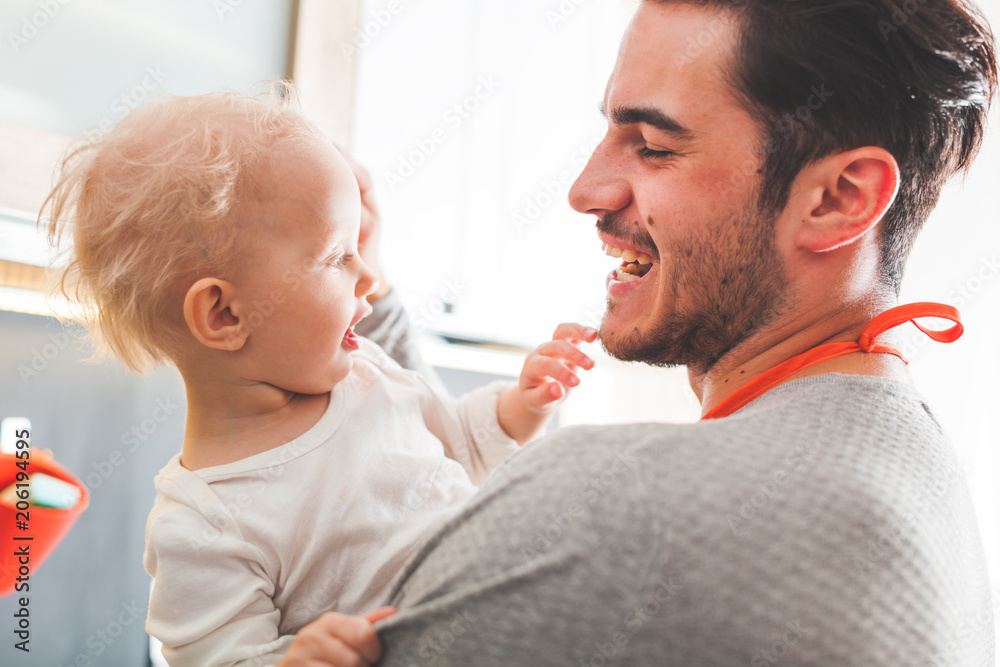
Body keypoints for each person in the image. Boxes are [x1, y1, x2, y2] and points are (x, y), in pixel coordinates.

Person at [286, 0, 997, 665]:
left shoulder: (618, 504)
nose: (585, 190)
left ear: (840, 198)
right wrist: (371, 300)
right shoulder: (920, 475)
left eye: (653, 146)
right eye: (609, 132)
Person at [41, 85, 597, 665]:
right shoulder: (203, 524)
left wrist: (521, 405)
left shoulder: (369, 375)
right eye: (337, 257)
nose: (370, 280)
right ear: (226, 315)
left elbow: (459, 445)